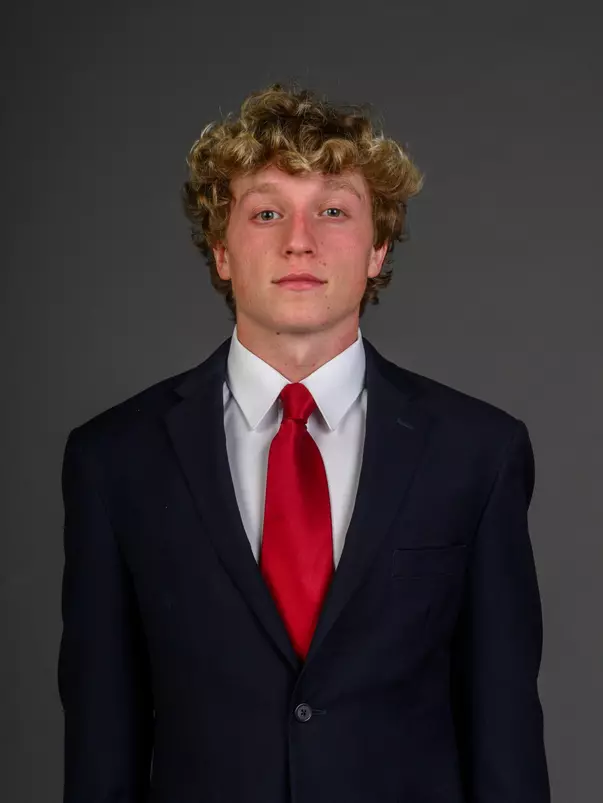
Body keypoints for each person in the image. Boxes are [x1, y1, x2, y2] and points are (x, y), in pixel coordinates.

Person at [58, 83, 551, 803]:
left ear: (377, 248)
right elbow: (102, 742)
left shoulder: (478, 452)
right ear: (221, 250)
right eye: (266, 212)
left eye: (333, 211)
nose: (299, 240)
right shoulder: (114, 460)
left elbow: (505, 735)